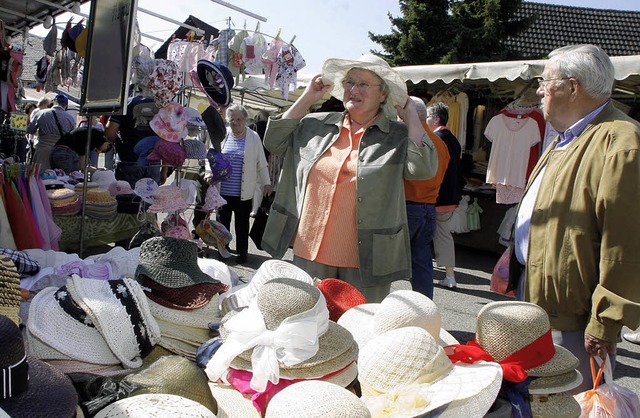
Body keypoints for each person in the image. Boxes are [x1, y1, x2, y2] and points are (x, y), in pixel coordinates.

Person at [509, 44, 640, 393]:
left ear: (571, 86)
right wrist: (512, 256)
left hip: (575, 318)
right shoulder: (568, 136)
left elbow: (625, 244)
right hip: (537, 297)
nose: (538, 90)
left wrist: (605, 321)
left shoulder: (621, 141)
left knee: (568, 402)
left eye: (544, 81)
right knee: (536, 399)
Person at [262, 54, 438, 303]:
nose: (353, 90)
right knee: (305, 324)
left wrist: (411, 118)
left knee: (359, 328)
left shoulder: (397, 136)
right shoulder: (314, 125)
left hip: (366, 260)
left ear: (383, 94)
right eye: (349, 82)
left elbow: (423, 169)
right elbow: (274, 142)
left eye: (364, 84)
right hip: (310, 250)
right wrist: (308, 97)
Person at [404, 97, 450, 299]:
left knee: (384, 263)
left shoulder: (408, 138)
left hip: (407, 206)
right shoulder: (440, 142)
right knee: (421, 261)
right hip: (429, 207)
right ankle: (424, 308)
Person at [218, 103, 271, 264]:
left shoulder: (253, 137)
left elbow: (262, 163)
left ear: (245, 120)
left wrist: (267, 183)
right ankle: (223, 251)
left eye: (239, 119)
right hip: (223, 191)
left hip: (243, 192)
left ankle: (242, 253)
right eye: (232, 119)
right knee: (222, 224)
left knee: (242, 225)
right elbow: (213, 157)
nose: (235, 123)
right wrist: (209, 174)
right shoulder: (223, 135)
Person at [428, 102, 463, 290]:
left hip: (436, 195)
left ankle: (442, 275)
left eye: (427, 117)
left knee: (425, 234)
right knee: (443, 234)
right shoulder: (453, 139)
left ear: (436, 119)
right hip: (450, 196)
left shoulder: (437, 139)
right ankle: (449, 275)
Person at [104, 95, 161, 187]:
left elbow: (109, 134)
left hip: (129, 161)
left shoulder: (125, 103)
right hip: (153, 165)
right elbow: (168, 140)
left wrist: (119, 143)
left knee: (127, 198)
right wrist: (165, 170)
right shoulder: (162, 106)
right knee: (150, 199)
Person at [26, 93, 75, 168]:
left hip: (43, 151)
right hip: (61, 153)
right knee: (59, 177)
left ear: (54, 102)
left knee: (40, 176)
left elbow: (30, 130)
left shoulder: (41, 113)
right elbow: (72, 136)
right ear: (66, 105)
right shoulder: (70, 118)